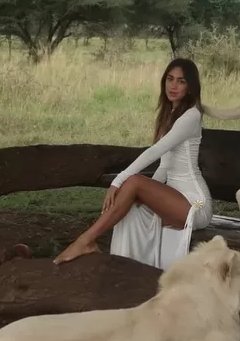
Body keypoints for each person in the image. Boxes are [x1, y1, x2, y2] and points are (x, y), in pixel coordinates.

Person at [53, 58, 213, 270]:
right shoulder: (170, 115)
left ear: (191, 86)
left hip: (196, 205)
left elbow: (156, 151)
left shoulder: (191, 115)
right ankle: (126, 269)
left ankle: (85, 241)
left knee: (135, 182)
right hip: (174, 200)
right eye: (170, 79)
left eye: (181, 81)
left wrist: (119, 181)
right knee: (131, 204)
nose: (173, 86)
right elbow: (165, 166)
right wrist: (143, 197)